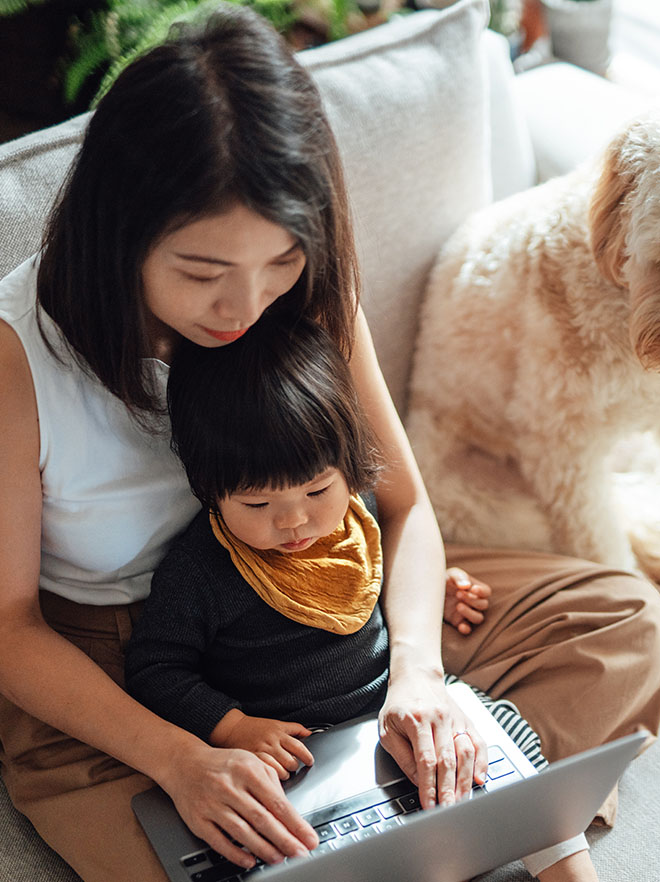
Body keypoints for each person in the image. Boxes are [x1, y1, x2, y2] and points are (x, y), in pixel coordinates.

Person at [0, 6, 660, 882]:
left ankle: (453, 791)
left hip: (328, 585)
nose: (244, 307)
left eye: (279, 260)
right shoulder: (3, 358)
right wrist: (181, 759)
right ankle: (462, 819)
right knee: (224, 863)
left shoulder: (308, 295)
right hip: (126, 659)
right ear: (118, 234)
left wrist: (420, 678)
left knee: (623, 624)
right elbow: (4, 629)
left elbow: (400, 506)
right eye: (202, 273)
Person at [125, 314, 593, 879]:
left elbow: (382, 570)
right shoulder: (200, 570)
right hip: (301, 756)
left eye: (318, 490)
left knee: (502, 737)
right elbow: (155, 669)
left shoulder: (360, 514)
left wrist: (434, 588)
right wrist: (233, 728)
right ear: (208, 490)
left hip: (396, 712)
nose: (295, 522)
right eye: (256, 505)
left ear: (349, 466)